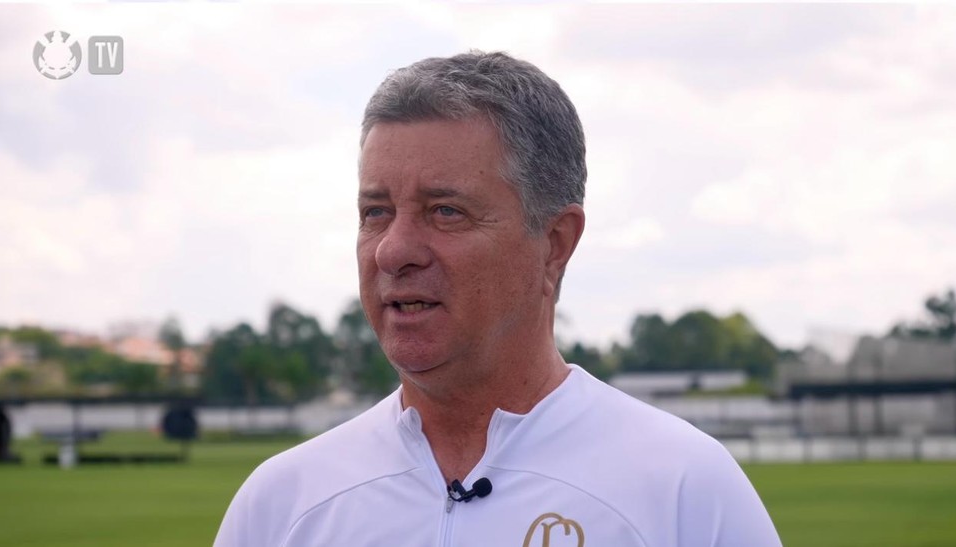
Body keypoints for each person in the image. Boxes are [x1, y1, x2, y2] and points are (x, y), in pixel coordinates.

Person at [214, 51, 782, 547]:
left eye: (446, 211)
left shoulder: (685, 491)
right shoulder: (281, 506)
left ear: (555, 244)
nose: (393, 250)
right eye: (375, 213)